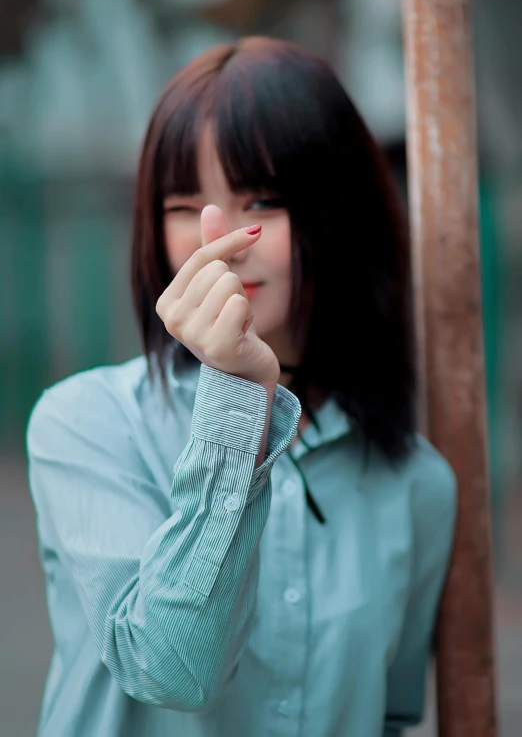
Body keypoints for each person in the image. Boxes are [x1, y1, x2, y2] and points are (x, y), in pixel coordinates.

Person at [27, 36, 456, 737]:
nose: (219, 238)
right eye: (183, 203)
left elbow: (386, 717)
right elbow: (171, 667)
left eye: (263, 198)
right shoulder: (83, 425)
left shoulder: (418, 485)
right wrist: (235, 393)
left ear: (339, 214)